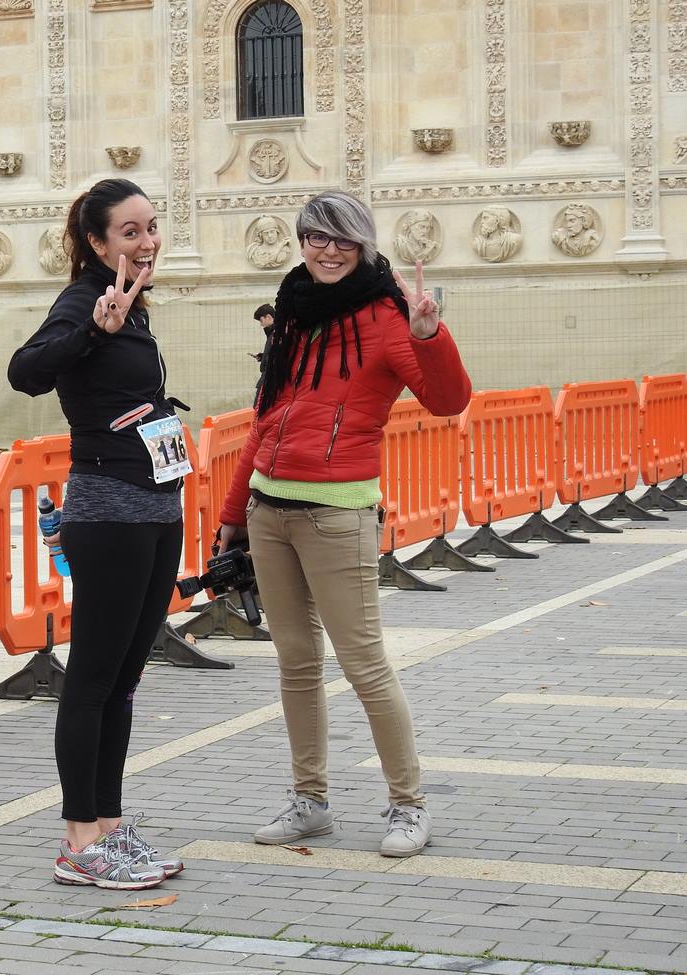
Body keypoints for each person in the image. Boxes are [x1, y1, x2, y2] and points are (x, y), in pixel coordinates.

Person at [217, 191, 471, 858]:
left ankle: (408, 804)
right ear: (301, 241)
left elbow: (449, 400)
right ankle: (311, 800)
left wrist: (428, 334)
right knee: (296, 664)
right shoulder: (293, 312)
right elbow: (265, 418)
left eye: (341, 239)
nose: (327, 250)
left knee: (365, 665)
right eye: (314, 237)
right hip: (269, 512)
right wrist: (231, 516)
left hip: (338, 511)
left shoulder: (389, 315)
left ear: (363, 244)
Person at [9, 178, 187, 891]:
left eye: (151, 227)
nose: (146, 241)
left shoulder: (135, 307)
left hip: (156, 509)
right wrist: (92, 327)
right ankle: (78, 837)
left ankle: (109, 826)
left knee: (125, 677)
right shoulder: (86, 301)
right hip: (107, 511)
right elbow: (26, 372)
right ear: (96, 243)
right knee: (92, 677)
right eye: (129, 231)